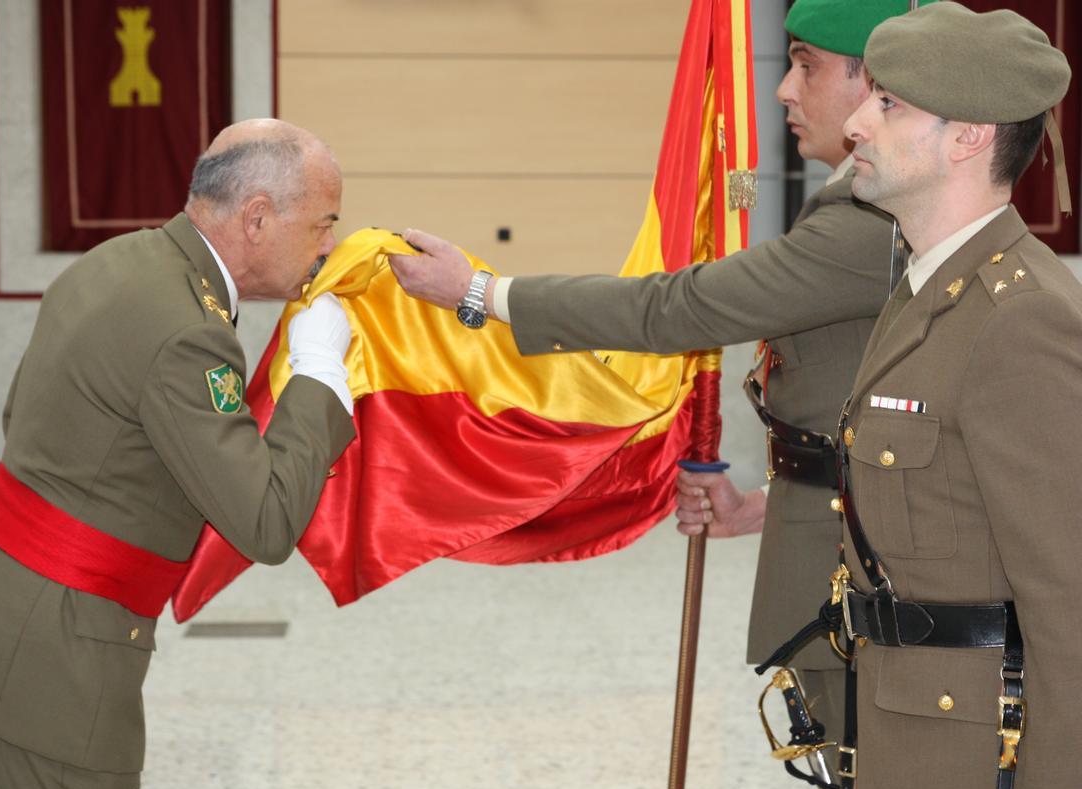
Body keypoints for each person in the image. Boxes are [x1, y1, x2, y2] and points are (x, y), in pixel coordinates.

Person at [390, 0, 931, 745]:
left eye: (804, 66)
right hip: (847, 546)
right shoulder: (866, 208)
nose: (782, 89)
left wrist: (480, 293)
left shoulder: (867, 221)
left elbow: (680, 307)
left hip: (875, 579)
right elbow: (874, 428)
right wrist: (760, 508)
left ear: (873, 85)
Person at [0, 118, 357, 789]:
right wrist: (318, 373)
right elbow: (265, 521)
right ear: (258, 217)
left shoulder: (120, 260)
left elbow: (23, 418)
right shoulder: (188, 330)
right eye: (322, 224)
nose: (330, 245)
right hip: (46, 663)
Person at [830, 4, 1079, 789]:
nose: (857, 123)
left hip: (978, 757)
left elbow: (1068, 600)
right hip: (909, 725)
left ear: (970, 135)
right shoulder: (931, 287)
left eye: (890, 103)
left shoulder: (1020, 317)